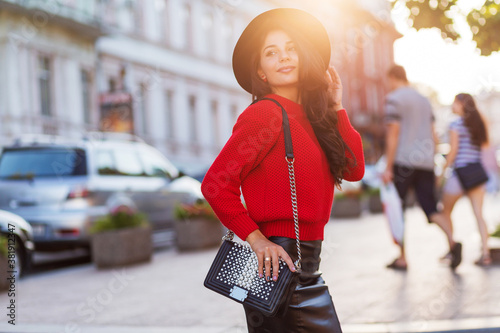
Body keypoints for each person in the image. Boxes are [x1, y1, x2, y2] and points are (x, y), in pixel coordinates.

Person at [200, 8, 364, 333]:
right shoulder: (265, 115)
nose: (283, 57)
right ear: (261, 71)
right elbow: (217, 184)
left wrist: (336, 106)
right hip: (279, 267)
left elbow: (355, 168)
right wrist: (258, 240)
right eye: (271, 53)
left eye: (291, 48)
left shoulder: (316, 119)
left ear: (304, 56)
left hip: (308, 268)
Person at [381, 65, 461, 270]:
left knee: (398, 209)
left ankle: (402, 258)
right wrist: (433, 161)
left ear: (392, 78)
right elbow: (434, 135)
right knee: (431, 207)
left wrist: (388, 166)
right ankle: (453, 243)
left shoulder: (394, 99)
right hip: (425, 162)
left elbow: (393, 134)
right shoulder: (425, 101)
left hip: (403, 161)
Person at [440, 93, 492, 266]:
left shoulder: (455, 124)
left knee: (444, 211)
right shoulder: (479, 123)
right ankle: (485, 254)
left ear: (461, 104)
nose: (453, 107)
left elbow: (453, 151)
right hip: (477, 172)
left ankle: (452, 248)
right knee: (479, 214)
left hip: (460, 174)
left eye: (454, 103)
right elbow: (485, 148)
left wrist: (442, 170)